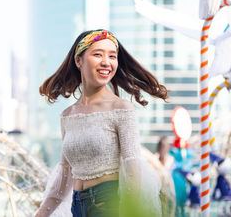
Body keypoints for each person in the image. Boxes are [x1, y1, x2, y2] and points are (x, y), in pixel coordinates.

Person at [35, 29, 169, 217]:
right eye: (98, 54)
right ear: (78, 61)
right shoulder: (68, 115)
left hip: (108, 204)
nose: (106, 62)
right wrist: (40, 214)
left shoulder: (121, 108)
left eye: (112, 56)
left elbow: (132, 168)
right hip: (77, 205)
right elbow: (64, 176)